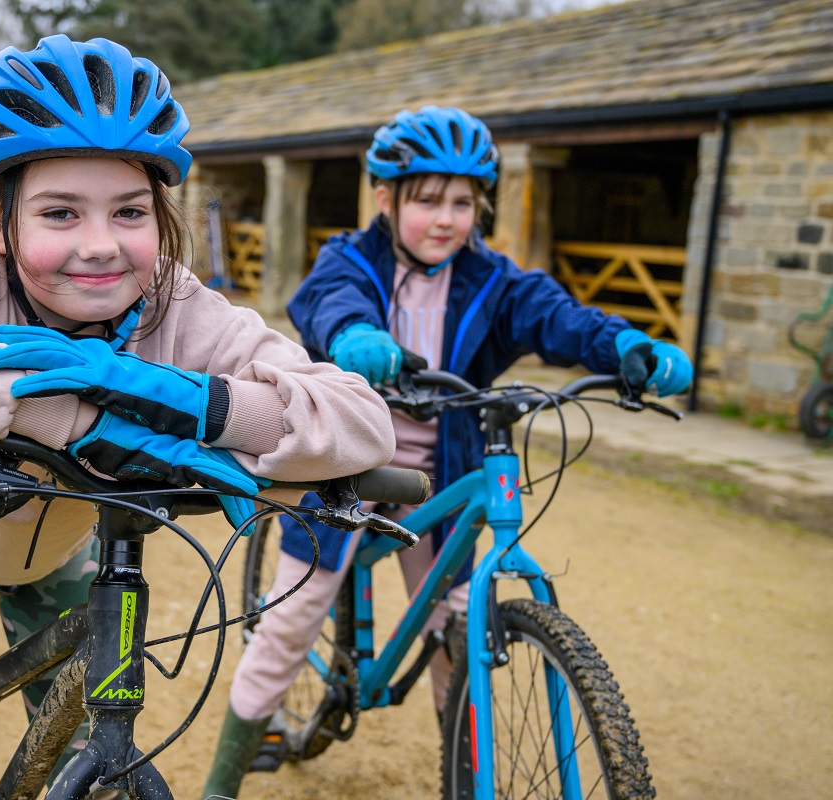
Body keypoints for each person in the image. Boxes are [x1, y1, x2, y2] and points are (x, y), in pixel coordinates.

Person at [0, 36, 396, 800]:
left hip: (59, 541)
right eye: (59, 212)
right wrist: (75, 421)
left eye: (130, 211)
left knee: (90, 769)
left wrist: (191, 401)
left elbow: (363, 423)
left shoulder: (171, 297)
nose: (100, 246)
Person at [200, 105, 693, 798]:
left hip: (442, 470)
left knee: (457, 627)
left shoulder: (490, 279)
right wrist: (352, 337)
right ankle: (222, 781)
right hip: (345, 461)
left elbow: (557, 315)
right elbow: (326, 299)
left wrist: (626, 347)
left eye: (463, 202)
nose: (445, 218)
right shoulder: (351, 260)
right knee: (292, 619)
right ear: (385, 197)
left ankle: (469, 772)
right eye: (427, 199)